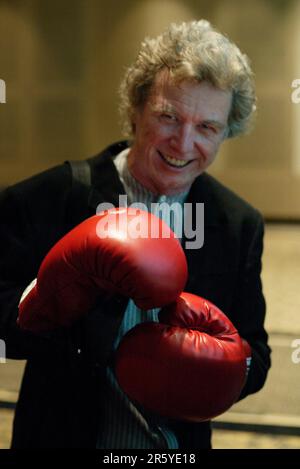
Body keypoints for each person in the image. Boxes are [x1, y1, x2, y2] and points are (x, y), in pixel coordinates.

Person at [0, 19, 271, 449]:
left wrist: (220, 368)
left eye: (207, 127)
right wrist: (45, 299)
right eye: (169, 116)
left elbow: (256, 357)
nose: (183, 143)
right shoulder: (57, 196)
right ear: (136, 108)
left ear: (226, 132)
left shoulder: (237, 224)